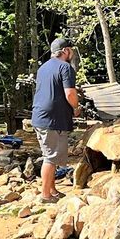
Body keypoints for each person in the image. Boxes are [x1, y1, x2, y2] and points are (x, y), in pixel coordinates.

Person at [31, 38, 81, 203]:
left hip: (40, 117)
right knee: (50, 157)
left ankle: (52, 189)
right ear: (66, 51)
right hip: (51, 119)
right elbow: (70, 94)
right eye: (71, 49)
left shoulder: (43, 67)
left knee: (52, 156)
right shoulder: (65, 67)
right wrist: (75, 108)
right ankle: (45, 195)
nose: (72, 52)